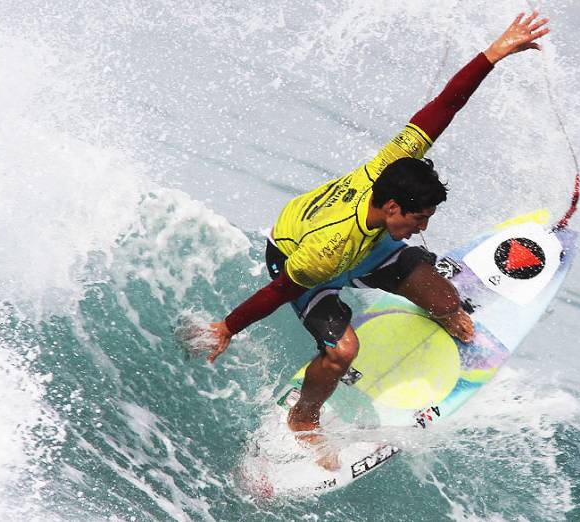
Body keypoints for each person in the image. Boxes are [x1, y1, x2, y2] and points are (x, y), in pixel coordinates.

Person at [197, 11, 549, 441]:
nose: (422, 228)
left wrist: (493, 53)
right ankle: (303, 417)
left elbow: (446, 104)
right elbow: (277, 292)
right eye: (418, 219)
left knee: (445, 301)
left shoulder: (393, 165)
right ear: (394, 207)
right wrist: (228, 327)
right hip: (298, 256)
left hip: (371, 246)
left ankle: (432, 301)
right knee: (341, 351)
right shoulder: (327, 250)